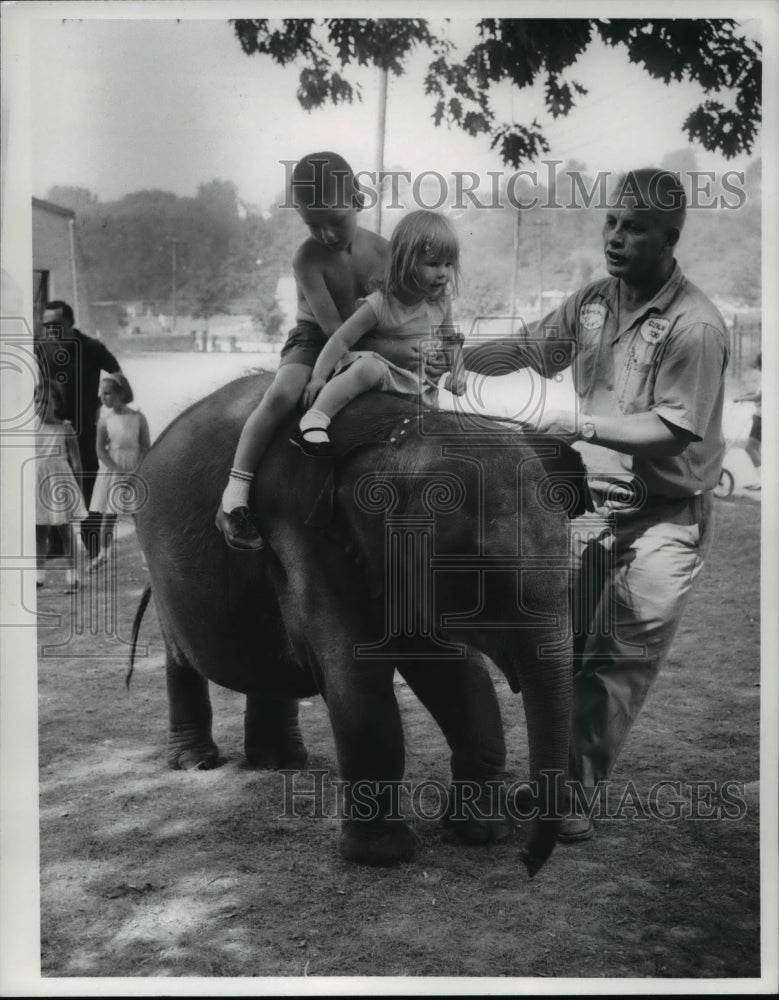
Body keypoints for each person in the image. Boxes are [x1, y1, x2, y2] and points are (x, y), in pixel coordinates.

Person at [468, 168, 729, 842]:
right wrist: (454, 354)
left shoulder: (693, 325)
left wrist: (576, 427)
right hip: (591, 511)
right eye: (611, 222)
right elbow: (532, 346)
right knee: (569, 647)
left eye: (634, 227)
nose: (615, 237)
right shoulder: (591, 303)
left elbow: (671, 428)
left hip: (667, 517)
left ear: (669, 238)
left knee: (615, 660)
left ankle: (565, 800)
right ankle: (554, 787)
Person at [216, 151, 400, 550]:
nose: (328, 235)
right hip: (317, 337)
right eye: (313, 225)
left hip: (366, 336)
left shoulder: (386, 251)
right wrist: (337, 363)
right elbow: (333, 327)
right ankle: (234, 493)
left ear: (358, 201)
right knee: (283, 393)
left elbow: (394, 310)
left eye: (336, 221)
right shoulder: (307, 257)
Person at [293, 210, 467, 455]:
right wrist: (318, 377)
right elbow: (342, 338)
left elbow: (451, 340)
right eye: (433, 264)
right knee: (369, 368)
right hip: (384, 372)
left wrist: (458, 372)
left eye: (449, 264)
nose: (443, 273)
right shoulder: (381, 303)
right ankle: (315, 418)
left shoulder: (440, 301)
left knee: (433, 430)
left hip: (417, 383)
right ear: (406, 262)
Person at [35, 300, 122, 556]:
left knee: (87, 482)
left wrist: (106, 404)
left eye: (56, 324)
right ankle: (58, 545)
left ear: (71, 323)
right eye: (47, 325)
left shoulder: (91, 347)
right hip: (52, 429)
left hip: (85, 429)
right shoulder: (42, 348)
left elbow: (116, 373)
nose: (51, 330)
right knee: (52, 483)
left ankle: (92, 542)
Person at [88, 373, 151, 571]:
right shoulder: (104, 420)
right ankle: (103, 554)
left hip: (135, 468)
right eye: (101, 394)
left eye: (107, 394)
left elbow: (145, 447)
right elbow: (100, 450)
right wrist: (119, 471)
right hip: (113, 469)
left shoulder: (138, 417)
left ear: (121, 393)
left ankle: (146, 556)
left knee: (137, 514)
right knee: (109, 514)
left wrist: (135, 471)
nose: (103, 398)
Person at [35, 378, 89, 593]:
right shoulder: (29, 427)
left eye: (46, 401)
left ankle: (73, 576)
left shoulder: (64, 428)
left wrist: (80, 492)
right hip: (36, 482)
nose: (41, 406)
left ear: (56, 403)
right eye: (37, 401)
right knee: (39, 532)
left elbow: (77, 463)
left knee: (65, 532)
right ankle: (38, 576)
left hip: (59, 482)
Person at [733, 352, 761, 491]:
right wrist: (741, 396)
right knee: (755, 448)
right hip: (761, 416)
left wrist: (742, 399)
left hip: (762, 417)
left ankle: (762, 481)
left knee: (751, 447)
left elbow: (759, 396)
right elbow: (756, 394)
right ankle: (761, 480)